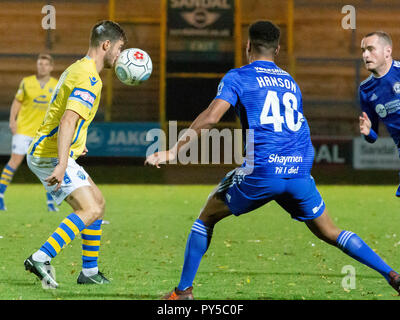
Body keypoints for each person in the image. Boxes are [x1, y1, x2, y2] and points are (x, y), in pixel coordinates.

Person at [145, 21, 400, 300]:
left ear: (247, 47)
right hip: (299, 170)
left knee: (206, 217)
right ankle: (390, 274)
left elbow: (210, 117)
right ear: (278, 49)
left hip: (264, 170)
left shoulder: (238, 76)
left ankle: (183, 293)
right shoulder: (290, 81)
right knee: (330, 231)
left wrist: (173, 151)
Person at [24, 20, 127, 288]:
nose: (120, 54)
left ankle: (89, 273)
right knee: (89, 208)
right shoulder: (89, 78)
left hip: (54, 151)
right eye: (119, 48)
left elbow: (65, 117)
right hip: (49, 155)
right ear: (107, 45)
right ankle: (40, 257)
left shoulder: (79, 68)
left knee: (98, 204)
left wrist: (76, 145)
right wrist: (61, 163)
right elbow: (68, 120)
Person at [0, 54, 59, 211]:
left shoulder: (56, 84)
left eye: (46, 64)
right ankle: (0, 196)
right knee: (14, 162)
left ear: (51, 67)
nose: (43, 67)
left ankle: (50, 203)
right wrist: (12, 120)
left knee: (46, 166)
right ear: (37, 66)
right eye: (40, 64)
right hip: (24, 130)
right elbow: (16, 102)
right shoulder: (27, 82)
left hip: (43, 134)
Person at [358, 31, 400, 195]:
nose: (365, 55)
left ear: (387, 51)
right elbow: (372, 137)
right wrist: (368, 132)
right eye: (363, 50)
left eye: (370, 49)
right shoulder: (365, 90)